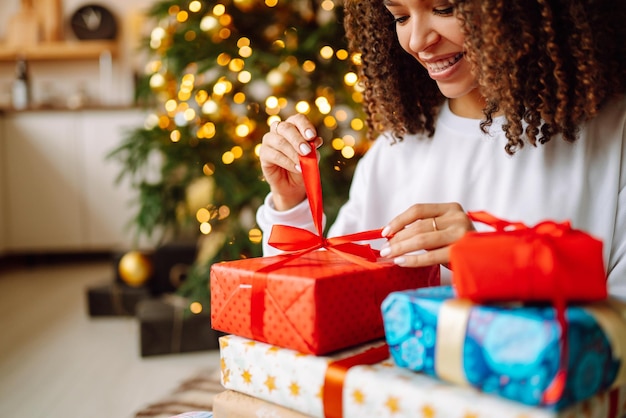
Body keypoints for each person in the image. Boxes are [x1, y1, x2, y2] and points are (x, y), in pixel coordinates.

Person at [256, 0, 626, 298]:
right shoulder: (395, 150)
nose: (417, 41)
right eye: (400, 16)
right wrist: (292, 203)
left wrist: (500, 263)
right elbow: (313, 297)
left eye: (445, 9)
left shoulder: (613, 135)